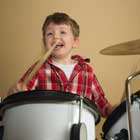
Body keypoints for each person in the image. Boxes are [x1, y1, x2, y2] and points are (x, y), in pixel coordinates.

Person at [8, 12, 113, 117]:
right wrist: (15, 91)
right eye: (50, 34)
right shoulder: (39, 68)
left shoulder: (87, 71)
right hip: (46, 127)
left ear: (75, 42)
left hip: (80, 129)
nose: (56, 37)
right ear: (44, 43)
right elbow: (20, 97)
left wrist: (117, 109)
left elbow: (102, 106)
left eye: (62, 32)